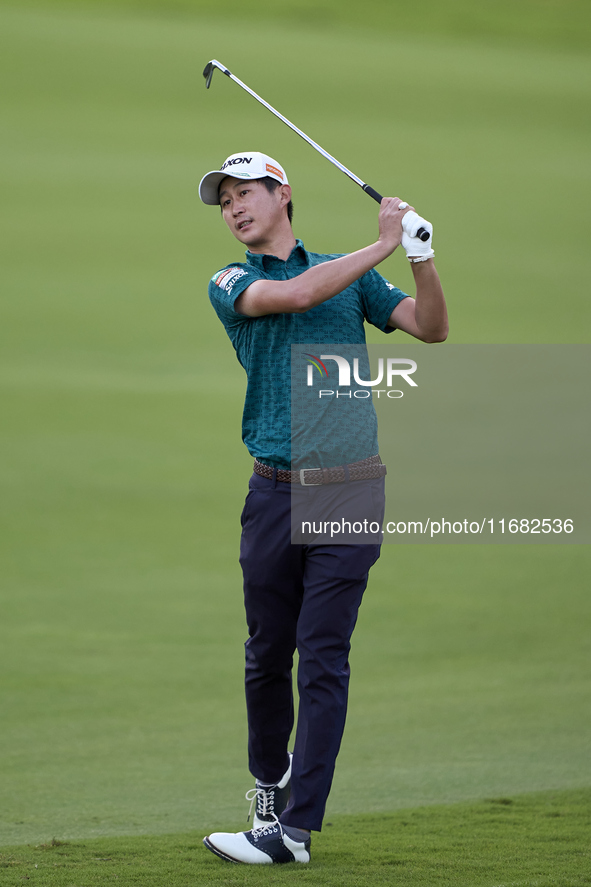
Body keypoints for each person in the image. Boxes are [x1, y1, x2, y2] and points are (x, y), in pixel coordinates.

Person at [198, 151, 448, 865]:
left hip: (350, 486)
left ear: (282, 196)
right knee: (266, 654)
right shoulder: (230, 280)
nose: (235, 208)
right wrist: (383, 242)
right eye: (225, 201)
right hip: (273, 490)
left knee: (324, 658)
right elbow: (298, 296)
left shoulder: (351, 273)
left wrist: (421, 258)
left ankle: (295, 831)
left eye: (246, 193)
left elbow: (430, 328)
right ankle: (268, 787)